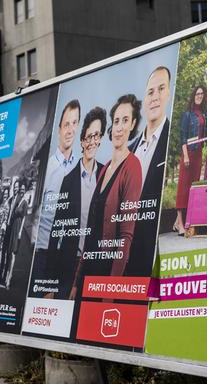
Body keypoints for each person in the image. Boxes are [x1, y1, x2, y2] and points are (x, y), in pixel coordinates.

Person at [72, 94, 143, 298]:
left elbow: (125, 236)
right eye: (116, 121)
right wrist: (77, 281)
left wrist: (111, 289)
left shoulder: (133, 166)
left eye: (125, 121)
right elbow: (91, 230)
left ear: (134, 124)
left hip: (106, 276)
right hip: (88, 273)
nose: (119, 127)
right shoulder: (104, 170)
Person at [47, 107, 106, 298]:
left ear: (101, 139)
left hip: (95, 264)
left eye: (96, 136)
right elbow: (56, 231)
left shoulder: (106, 174)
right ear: (82, 141)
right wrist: (49, 285)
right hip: (69, 265)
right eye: (88, 137)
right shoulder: (68, 180)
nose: (92, 142)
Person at [126, 66, 172, 277]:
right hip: (126, 254)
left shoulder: (171, 141)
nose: (155, 97)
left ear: (169, 93)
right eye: (150, 92)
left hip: (156, 253)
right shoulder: (131, 149)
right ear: (144, 99)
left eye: (161, 89)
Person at [36, 100, 82, 250]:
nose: (70, 130)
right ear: (59, 129)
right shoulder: (47, 169)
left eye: (74, 123)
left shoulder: (81, 167)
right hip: (43, 252)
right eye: (66, 124)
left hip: (70, 255)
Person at [174, 85, 207, 236]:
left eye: (202, 94)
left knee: (192, 187)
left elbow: (206, 136)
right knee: (183, 187)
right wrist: (186, 155)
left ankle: (177, 222)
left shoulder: (204, 115)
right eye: (197, 93)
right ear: (193, 95)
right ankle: (180, 223)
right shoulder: (187, 115)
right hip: (188, 153)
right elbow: (183, 137)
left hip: (198, 154)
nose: (199, 96)